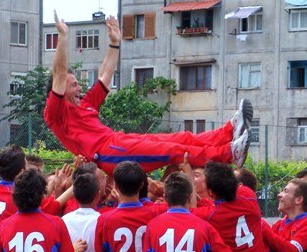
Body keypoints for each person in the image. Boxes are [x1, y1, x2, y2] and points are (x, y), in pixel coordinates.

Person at [44, 13, 252, 175]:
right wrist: (63, 38)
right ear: (60, 89)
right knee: (170, 151)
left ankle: (227, 132)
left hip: (117, 141)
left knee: (180, 137)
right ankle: (228, 154)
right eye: (73, 85)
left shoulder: (86, 104)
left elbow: (105, 74)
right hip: (108, 155)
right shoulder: (57, 113)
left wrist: (115, 42)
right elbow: (59, 73)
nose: (79, 87)